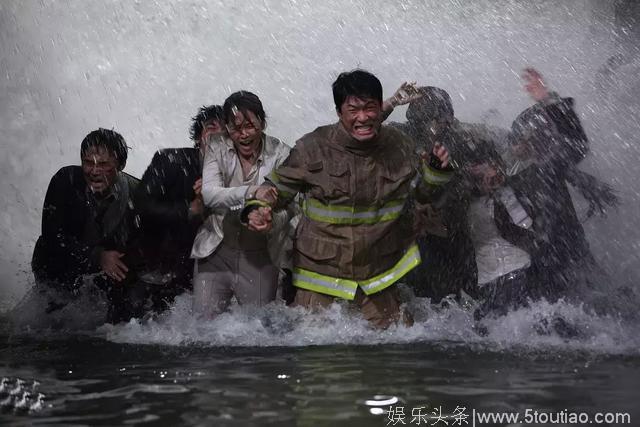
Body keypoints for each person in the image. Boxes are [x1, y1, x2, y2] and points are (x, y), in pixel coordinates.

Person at [243, 70, 453, 329]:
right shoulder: (313, 147)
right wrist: (258, 209)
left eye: (370, 108)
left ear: (380, 107)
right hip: (321, 276)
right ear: (339, 112)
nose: (363, 117)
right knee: (318, 357)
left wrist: (436, 171)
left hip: (378, 275)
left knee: (396, 352)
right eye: (353, 110)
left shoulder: (400, 145)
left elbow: (422, 194)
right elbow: (276, 190)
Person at [191, 91, 295, 318]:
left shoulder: (282, 154)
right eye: (235, 128)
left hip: (260, 256)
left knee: (257, 331)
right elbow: (209, 194)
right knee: (201, 329)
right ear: (227, 128)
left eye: (250, 126)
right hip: (215, 253)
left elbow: (291, 206)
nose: (243, 135)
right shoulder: (216, 146)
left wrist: (271, 223)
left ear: (263, 122)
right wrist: (252, 191)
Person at [30, 128, 139, 323]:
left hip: (107, 273)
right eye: (88, 163)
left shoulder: (136, 193)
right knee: (51, 324)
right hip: (58, 265)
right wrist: (98, 256)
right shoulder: (65, 181)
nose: (94, 171)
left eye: (104, 164)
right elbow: (52, 236)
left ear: (120, 165)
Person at [386, 86, 479, 302]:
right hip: (411, 233)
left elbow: (481, 171)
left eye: (444, 120)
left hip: (448, 233)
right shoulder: (398, 136)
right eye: (437, 120)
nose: (442, 125)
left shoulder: (459, 141)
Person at [131, 105, 224, 316]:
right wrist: (189, 210)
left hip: (202, 272)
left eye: (225, 131)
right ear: (199, 135)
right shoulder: (169, 161)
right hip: (156, 269)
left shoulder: (237, 173)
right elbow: (139, 207)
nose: (218, 134)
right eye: (211, 127)